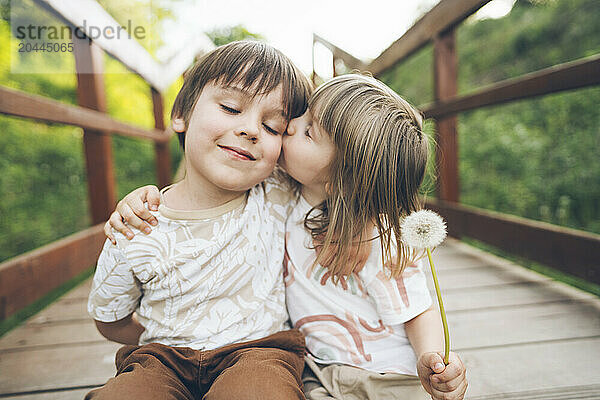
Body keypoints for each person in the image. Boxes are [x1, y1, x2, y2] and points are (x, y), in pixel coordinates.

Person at [108, 74, 468, 399]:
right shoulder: (277, 192)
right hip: (316, 373)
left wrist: (431, 358)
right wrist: (145, 198)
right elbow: (211, 179)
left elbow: (418, 310)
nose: (291, 125)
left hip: (385, 376)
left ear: (342, 180)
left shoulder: (377, 238)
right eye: (304, 114)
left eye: (309, 130)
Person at [86, 40, 312, 400]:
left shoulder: (278, 193)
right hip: (162, 358)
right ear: (181, 114)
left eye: (272, 127)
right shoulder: (138, 224)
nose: (252, 130)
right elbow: (109, 318)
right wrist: (161, 334)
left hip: (257, 352)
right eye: (230, 107)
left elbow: (332, 159)